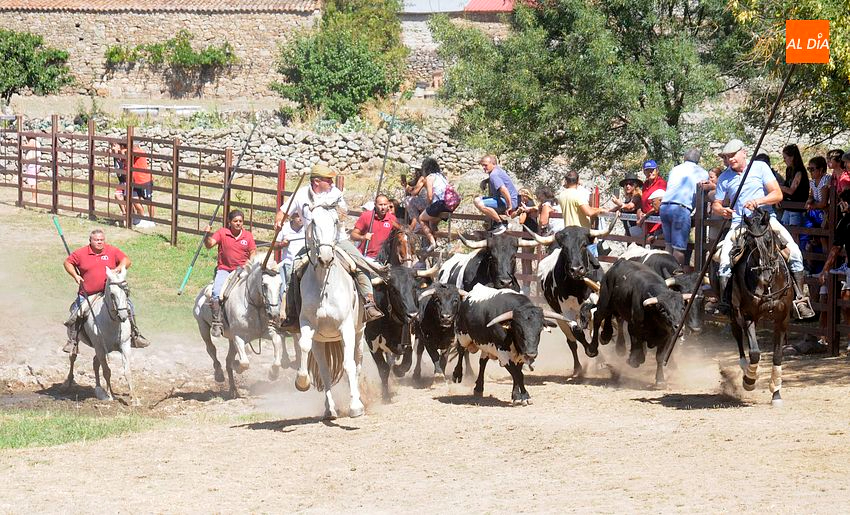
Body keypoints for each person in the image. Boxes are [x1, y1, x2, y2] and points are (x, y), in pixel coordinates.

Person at [712, 138, 815, 319]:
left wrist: (758, 201)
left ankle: (800, 299)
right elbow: (717, 204)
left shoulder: (760, 168)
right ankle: (726, 301)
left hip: (766, 220)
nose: (730, 160)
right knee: (725, 261)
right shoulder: (724, 177)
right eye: (727, 157)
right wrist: (721, 210)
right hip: (740, 223)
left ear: (743, 153)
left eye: (733, 155)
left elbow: (777, 194)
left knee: (796, 253)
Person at [275, 164, 385, 332]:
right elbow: (283, 211)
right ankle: (292, 314)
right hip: (311, 243)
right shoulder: (301, 194)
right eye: (328, 180)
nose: (332, 183)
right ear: (317, 181)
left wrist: (327, 210)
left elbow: (343, 213)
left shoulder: (335, 193)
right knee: (293, 272)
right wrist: (278, 220)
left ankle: (369, 302)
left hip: (337, 240)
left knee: (361, 264)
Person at [63, 229, 150, 353]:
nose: (100, 242)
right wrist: (75, 276)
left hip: (109, 293)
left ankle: (135, 335)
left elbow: (126, 260)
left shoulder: (111, 251)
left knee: (128, 307)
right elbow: (68, 262)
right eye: (97, 240)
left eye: (102, 240)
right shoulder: (81, 253)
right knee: (76, 313)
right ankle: (73, 341)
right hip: (88, 294)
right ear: (90, 240)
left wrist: (119, 268)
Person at [203, 209, 256, 338]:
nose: (238, 223)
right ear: (229, 222)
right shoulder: (222, 233)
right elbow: (209, 245)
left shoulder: (247, 236)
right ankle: (217, 322)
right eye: (235, 221)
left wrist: (250, 264)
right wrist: (207, 234)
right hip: (224, 269)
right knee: (216, 292)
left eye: (240, 221)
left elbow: (253, 251)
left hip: (242, 270)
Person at [660, 148, 709, 267]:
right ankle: (676, 275)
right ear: (698, 160)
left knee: (668, 244)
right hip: (680, 209)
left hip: (665, 206)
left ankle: (665, 273)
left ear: (685, 158)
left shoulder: (675, 169)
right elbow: (702, 192)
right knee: (679, 248)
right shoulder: (702, 172)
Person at [817, 189, 850, 352]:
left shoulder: (845, 222)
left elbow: (835, 249)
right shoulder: (844, 222)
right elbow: (836, 247)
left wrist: (825, 269)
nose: (840, 205)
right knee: (845, 302)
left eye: (843, 202)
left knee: (845, 301)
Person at [473, 154, 519, 235]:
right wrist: (485, 181)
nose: (483, 167)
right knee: (477, 199)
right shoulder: (497, 171)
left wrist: (509, 206)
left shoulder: (494, 175)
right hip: (509, 200)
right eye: (482, 165)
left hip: (509, 201)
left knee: (479, 203)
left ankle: (500, 224)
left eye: (485, 165)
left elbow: (504, 190)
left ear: (493, 164)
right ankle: (499, 223)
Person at [415, 157, 452, 251]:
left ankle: (432, 242)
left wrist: (428, 206)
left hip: (439, 204)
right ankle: (438, 243)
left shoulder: (429, 177)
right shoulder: (442, 176)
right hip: (449, 204)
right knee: (432, 223)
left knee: (422, 219)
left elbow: (430, 197)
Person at [115, 142, 155, 228]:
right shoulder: (128, 154)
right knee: (134, 200)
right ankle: (141, 218)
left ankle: (152, 220)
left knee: (148, 201)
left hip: (144, 180)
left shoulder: (139, 152)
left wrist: (123, 150)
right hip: (134, 182)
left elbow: (129, 153)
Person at [351, 194, 397, 259]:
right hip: (365, 256)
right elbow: (353, 235)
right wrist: (363, 237)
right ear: (375, 204)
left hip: (384, 258)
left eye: (385, 204)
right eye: (380, 205)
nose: (383, 207)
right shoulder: (366, 216)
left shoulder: (392, 219)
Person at [274, 210, 305, 302]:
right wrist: (282, 245)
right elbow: (274, 246)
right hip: (288, 263)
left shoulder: (308, 227)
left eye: (302, 215)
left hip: (303, 264)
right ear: (292, 217)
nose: (300, 218)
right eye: (297, 216)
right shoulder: (284, 228)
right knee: (283, 288)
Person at [779, 143, 809, 227]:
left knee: (795, 233)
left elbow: (791, 190)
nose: (784, 160)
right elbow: (786, 186)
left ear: (792, 157)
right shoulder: (789, 170)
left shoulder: (799, 171)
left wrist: (778, 187)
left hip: (797, 207)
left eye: (785, 158)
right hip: (788, 205)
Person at [637, 159, 667, 239]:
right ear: (644, 172)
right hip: (648, 225)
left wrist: (645, 217)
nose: (650, 172)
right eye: (647, 170)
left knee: (657, 248)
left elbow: (659, 205)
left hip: (658, 225)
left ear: (657, 170)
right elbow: (642, 202)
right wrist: (640, 212)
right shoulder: (645, 185)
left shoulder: (661, 184)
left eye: (652, 170)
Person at [23, 137, 40, 203]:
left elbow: (29, 145)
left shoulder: (32, 141)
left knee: (32, 181)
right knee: (33, 181)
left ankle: (34, 199)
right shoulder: (36, 141)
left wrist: (20, 145)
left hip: (32, 163)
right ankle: (34, 198)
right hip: (34, 163)